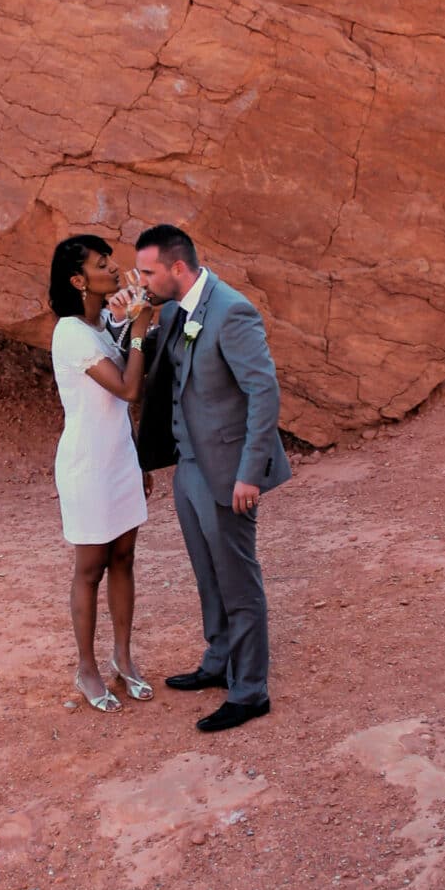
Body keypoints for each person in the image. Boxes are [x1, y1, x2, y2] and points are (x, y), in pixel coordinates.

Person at [133, 225, 289, 732]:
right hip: (189, 466)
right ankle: (219, 660)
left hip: (227, 472)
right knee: (207, 572)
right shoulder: (175, 309)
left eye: (148, 271)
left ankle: (250, 692)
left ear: (178, 268)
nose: (142, 280)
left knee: (239, 582)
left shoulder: (232, 311)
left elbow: (263, 394)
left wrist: (250, 474)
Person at [48, 233, 156, 713]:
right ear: (78, 280)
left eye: (110, 259)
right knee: (90, 568)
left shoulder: (98, 328)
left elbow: (120, 409)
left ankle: (123, 657)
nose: (112, 268)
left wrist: (137, 459)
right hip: (88, 465)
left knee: (125, 558)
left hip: (117, 459)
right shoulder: (70, 332)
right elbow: (129, 389)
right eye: (100, 263)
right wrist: (139, 329)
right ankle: (86, 667)